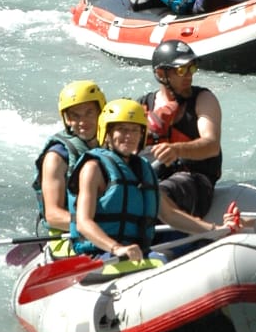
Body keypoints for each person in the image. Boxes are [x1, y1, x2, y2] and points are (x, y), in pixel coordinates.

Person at [68, 99, 242, 260]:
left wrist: (215, 230)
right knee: (161, 260)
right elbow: (83, 222)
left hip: (134, 253)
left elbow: (169, 215)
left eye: (135, 130)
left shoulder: (143, 169)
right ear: (107, 133)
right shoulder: (93, 168)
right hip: (98, 255)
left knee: (197, 248)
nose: (129, 136)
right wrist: (116, 248)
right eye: (122, 129)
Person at [139, 39, 222, 217]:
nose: (189, 75)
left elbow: (212, 145)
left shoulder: (204, 99)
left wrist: (177, 150)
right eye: (181, 70)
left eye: (192, 68)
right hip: (155, 177)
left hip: (195, 181)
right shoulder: (143, 105)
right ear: (161, 74)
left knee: (159, 193)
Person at [32, 80, 107, 237]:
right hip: (69, 236)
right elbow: (53, 216)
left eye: (89, 113)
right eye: (75, 115)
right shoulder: (56, 157)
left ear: (101, 112)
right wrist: (100, 227)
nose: (83, 122)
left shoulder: (112, 144)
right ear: (67, 119)